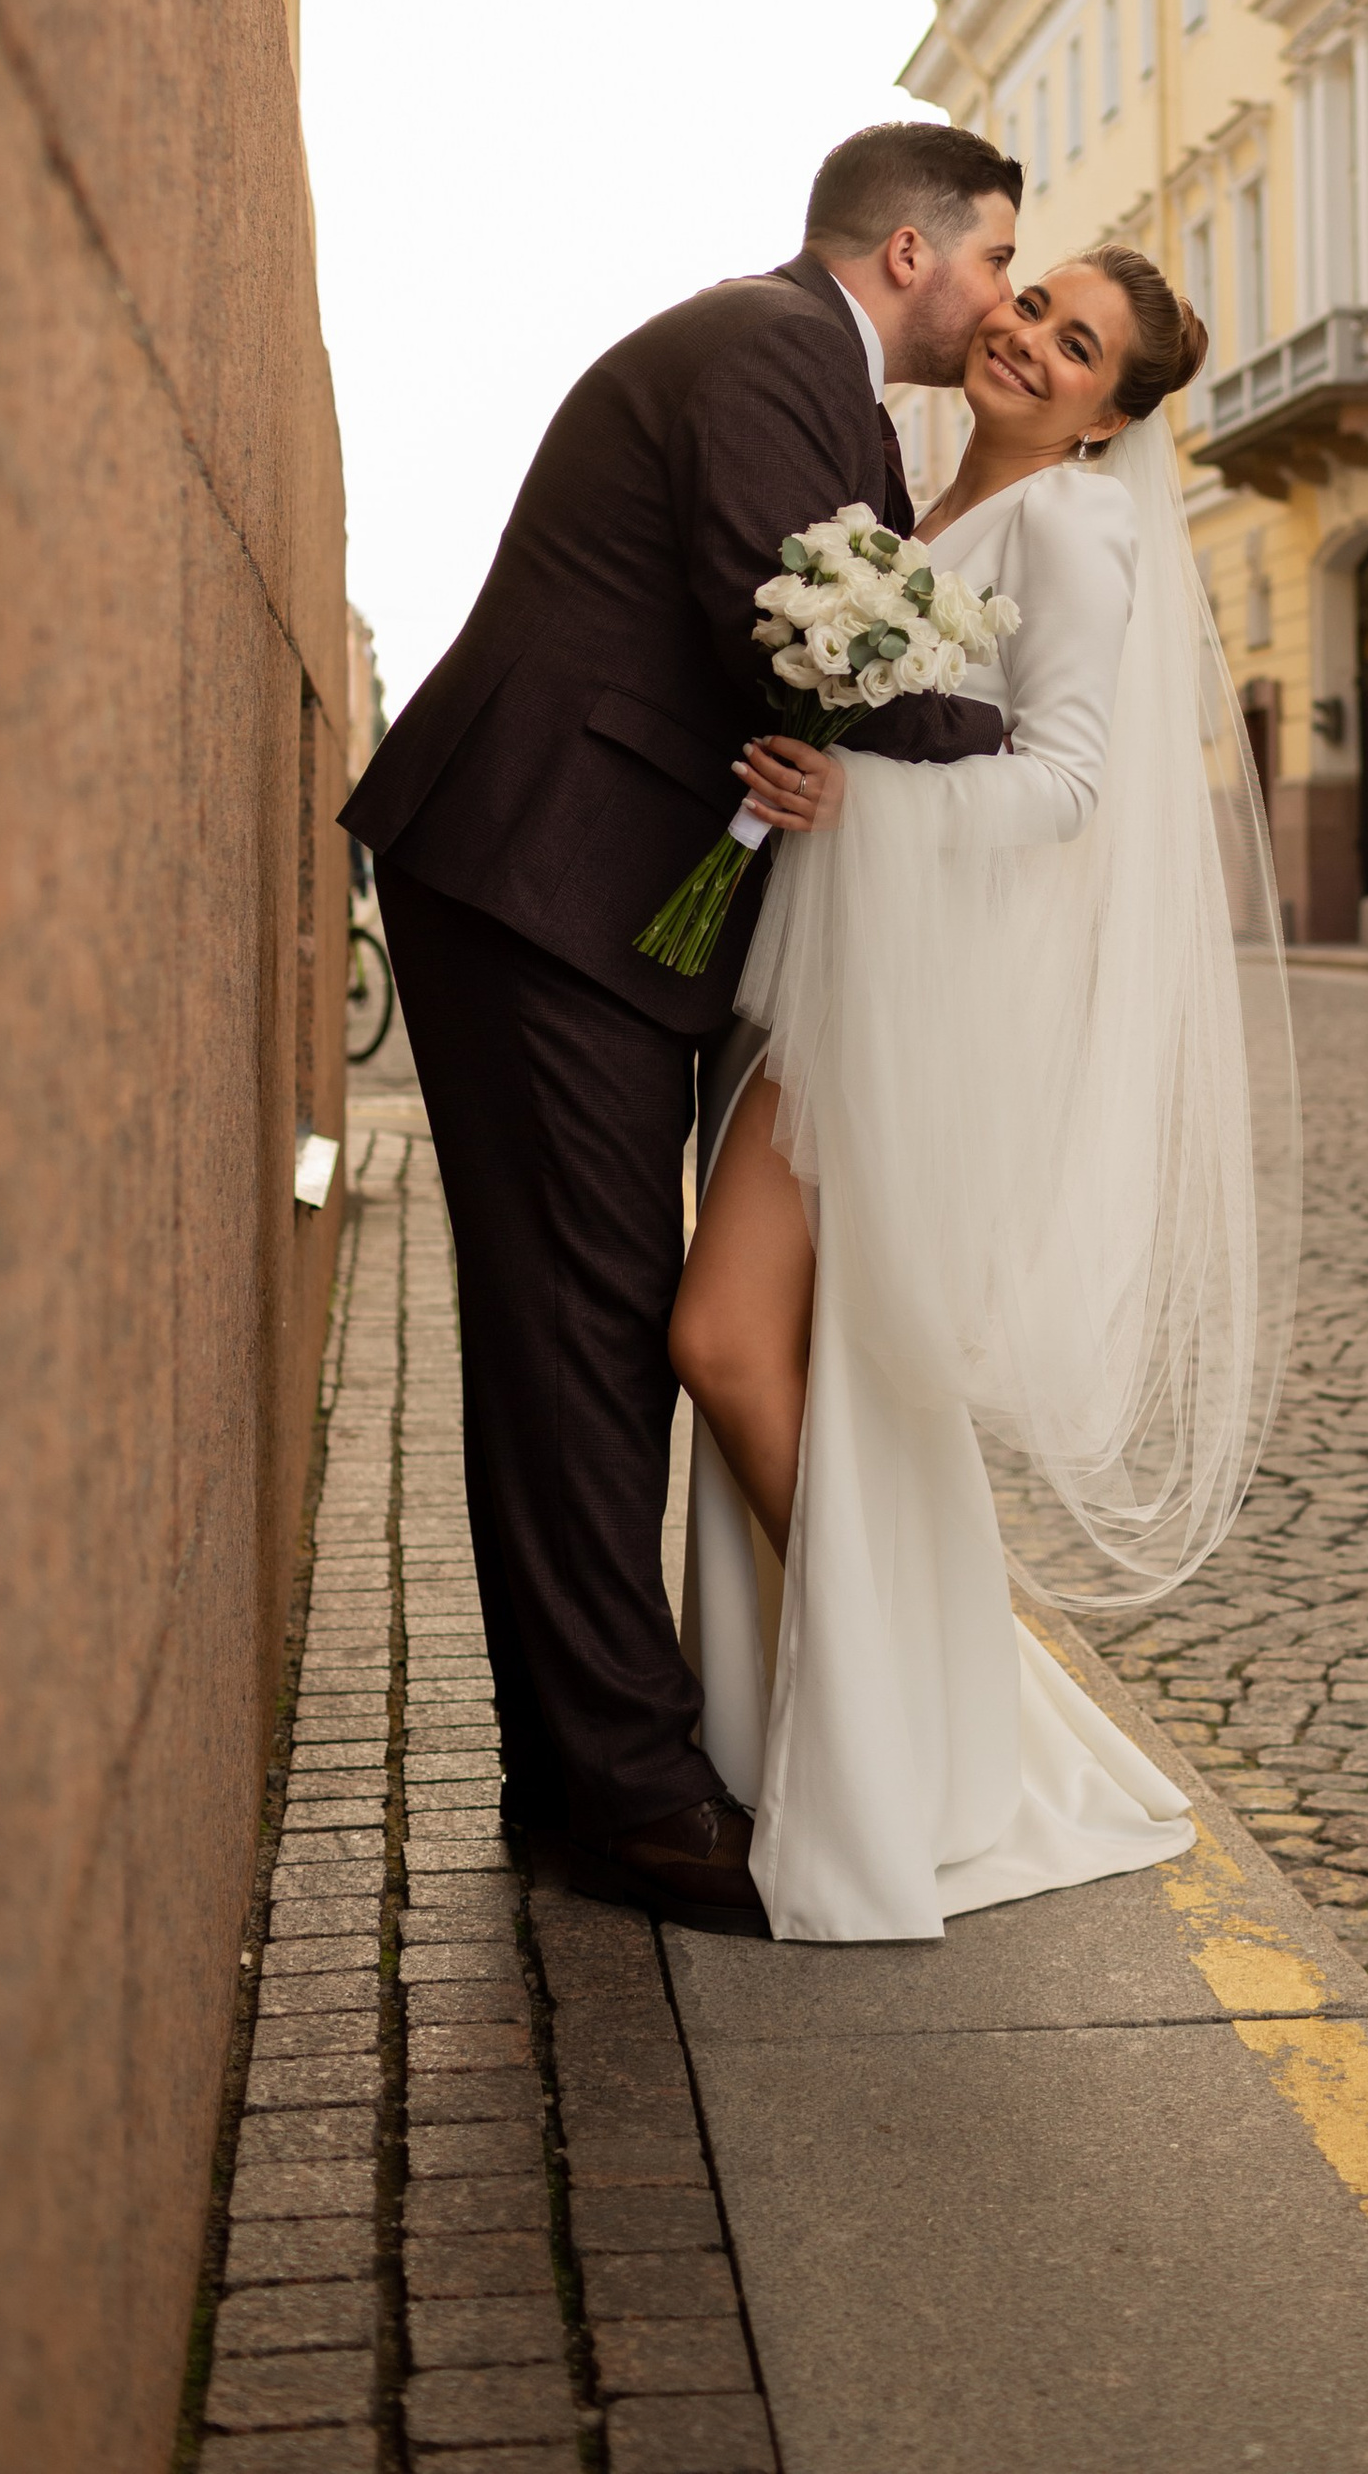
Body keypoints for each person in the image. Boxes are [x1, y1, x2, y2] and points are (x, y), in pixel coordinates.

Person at [339, 124, 1022, 1929]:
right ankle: (628, 1799)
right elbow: (789, 631)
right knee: (580, 1337)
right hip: (545, 876)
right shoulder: (771, 350)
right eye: (996, 265)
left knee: (586, 1330)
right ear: (905, 249)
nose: (1005, 303)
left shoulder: (816, 374)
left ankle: (578, 1767)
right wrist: (1012, 765)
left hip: (590, 896)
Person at [670, 246, 1299, 1943]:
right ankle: (896, 1721)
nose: (1025, 335)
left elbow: (1074, 784)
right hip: (832, 969)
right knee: (828, 1379)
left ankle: (914, 1715)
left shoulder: (1078, 532)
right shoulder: (913, 508)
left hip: (901, 997)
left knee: (726, 1345)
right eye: (1037, 304)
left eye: (1074, 344)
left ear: (1107, 418)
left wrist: (856, 806)